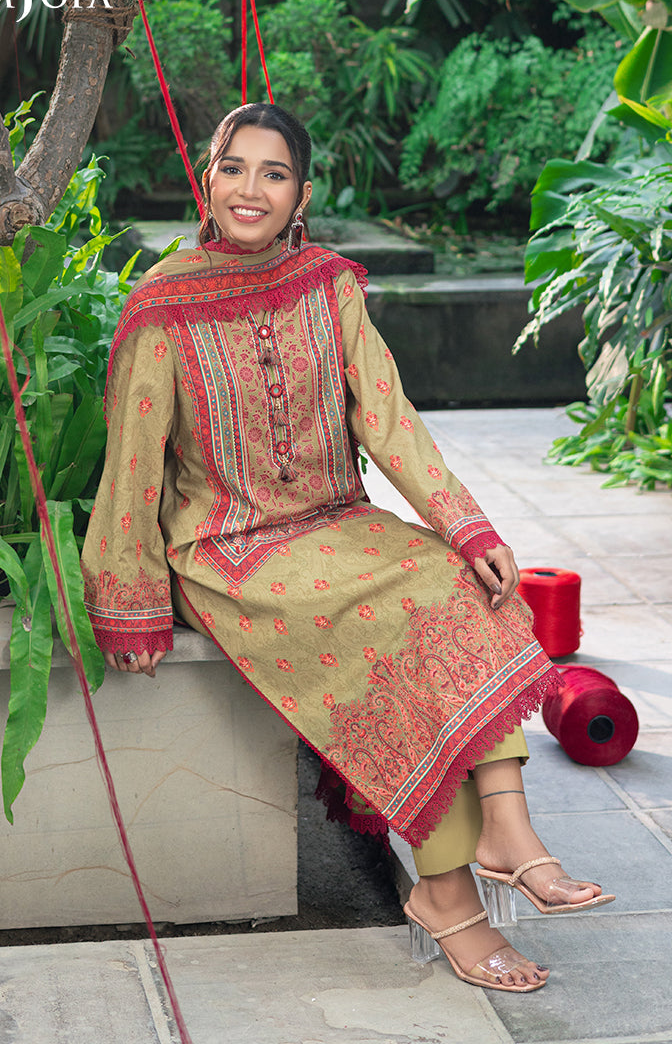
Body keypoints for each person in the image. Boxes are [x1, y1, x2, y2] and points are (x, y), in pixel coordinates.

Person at [81, 102, 613, 992]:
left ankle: (504, 829)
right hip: (231, 548)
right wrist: (128, 599)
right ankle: (450, 893)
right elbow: (131, 466)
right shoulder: (162, 308)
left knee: (454, 580)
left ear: (303, 196)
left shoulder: (328, 286)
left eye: (275, 173)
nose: (251, 189)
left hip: (333, 517)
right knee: (395, 621)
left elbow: (389, 418)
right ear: (206, 180)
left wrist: (465, 524)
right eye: (234, 168)